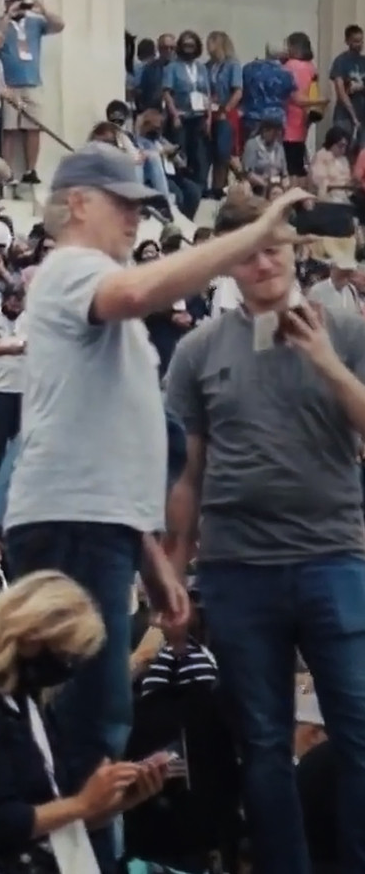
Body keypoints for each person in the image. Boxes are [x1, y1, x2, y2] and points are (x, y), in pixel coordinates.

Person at [9, 144, 308, 862]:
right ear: (78, 203)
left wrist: (152, 556)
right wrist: (250, 233)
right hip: (73, 524)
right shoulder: (73, 268)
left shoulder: (95, 289)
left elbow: (108, 440)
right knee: (90, 726)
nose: (136, 218)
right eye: (124, 203)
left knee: (97, 723)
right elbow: (135, 293)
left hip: (95, 524)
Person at [164, 191, 365, 873]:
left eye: (274, 249)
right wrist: (174, 573)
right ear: (229, 261)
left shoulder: (346, 329)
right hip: (237, 568)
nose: (263, 263)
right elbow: (185, 475)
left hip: (333, 556)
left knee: (359, 733)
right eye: (248, 253)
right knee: (263, 743)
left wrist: (324, 359)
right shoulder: (197, 350)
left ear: (294, 251)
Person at [0, 572, 169, 874]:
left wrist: (114, 803)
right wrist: (82, 804)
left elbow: (48, 819)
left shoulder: (26, 705)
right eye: (63, 653)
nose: (66, 667)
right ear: (29, 635)